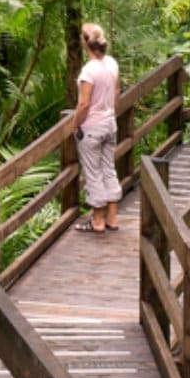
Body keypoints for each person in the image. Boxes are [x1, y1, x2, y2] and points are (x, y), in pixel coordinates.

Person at [70, 23, 122, 232]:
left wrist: (75, 124)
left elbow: (83, 104)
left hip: (91, 127)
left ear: (85, 43)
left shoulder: (89, 70)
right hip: (110, 123)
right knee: (108, 168)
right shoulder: (111, 63)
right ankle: (112, 218)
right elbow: (117, 92)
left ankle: (97, 221)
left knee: (93, 173)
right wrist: (109, 110)